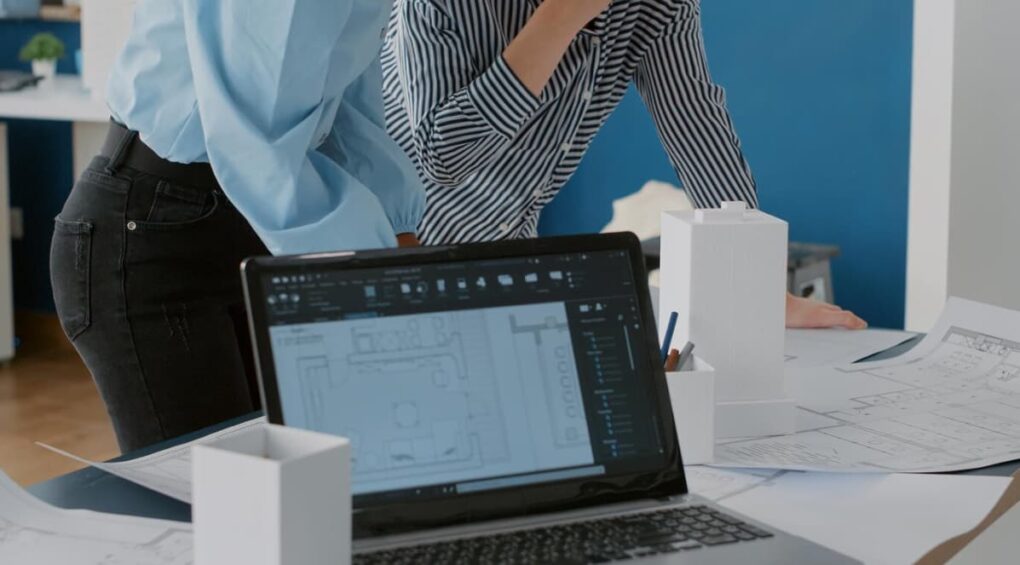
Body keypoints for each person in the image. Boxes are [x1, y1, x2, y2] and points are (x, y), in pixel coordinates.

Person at [50, 0, 425, 452]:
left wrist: (398, 228)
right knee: (215, 505)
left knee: (284, 488)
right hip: (153, 234)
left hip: (248, 227)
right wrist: (376, 263)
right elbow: (252, 139)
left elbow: (351, 97)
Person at [382, 0, 866, 330]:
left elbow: (695, 122)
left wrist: (756, 287)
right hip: (386, 253)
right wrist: (562, 17)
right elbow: (443, 154)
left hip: (505, 256)